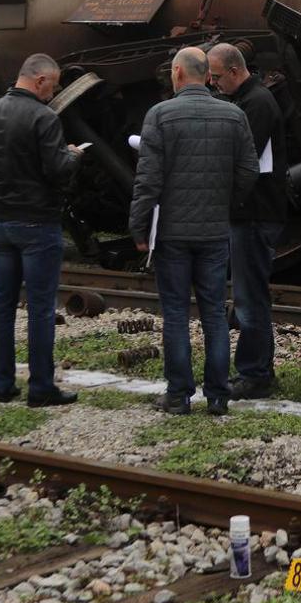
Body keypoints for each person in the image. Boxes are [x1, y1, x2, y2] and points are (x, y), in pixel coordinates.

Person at [129, 47, 258, 416]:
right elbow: (248, 170)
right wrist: (227, 203)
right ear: (206, 74)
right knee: (215, 313)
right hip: (215, 233)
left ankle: (179, 395)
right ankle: (218, 396)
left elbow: (148, 180)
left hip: (171, 234)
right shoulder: (234, 116)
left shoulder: (160, 115)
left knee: (175, 313)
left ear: (178, 74)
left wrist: (138, 227)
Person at [0, 53, 85, 407]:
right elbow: (58, 170)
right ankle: (41, 388)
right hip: (37, 223)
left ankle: (2, 384)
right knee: (41, 307)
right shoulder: (44, 118)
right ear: (40, 80)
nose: (54, 91)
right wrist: (74, 155)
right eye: (54, 84)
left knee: (2, 303)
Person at [207, 43, 285, 399]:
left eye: (218, 76)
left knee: (249, 297)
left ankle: (254, 375)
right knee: (251, 294)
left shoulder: (256, 104)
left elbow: (243, 157)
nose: (214, 82)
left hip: (254, 214)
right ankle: (260, 370)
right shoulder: (249, 100)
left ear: (236, 71)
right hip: (251, 213)